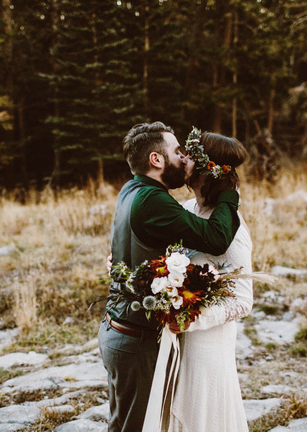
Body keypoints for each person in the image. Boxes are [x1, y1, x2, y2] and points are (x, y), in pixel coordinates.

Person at [99, 122, 242, 432]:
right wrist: (230, 192)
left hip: (117, 330)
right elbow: (217, 238)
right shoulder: (155, 201)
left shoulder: (132, 190)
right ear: (156, 160)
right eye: (177, 151)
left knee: (123, 424)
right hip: (135, 340)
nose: (183, 157)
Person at [144, 129, 253, 432]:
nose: (182, 158)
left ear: (210, 169)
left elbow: (243, 300)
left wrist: (191, 320)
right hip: (174, 340)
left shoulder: (233, 231)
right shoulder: (188, 210)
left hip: (206, 345)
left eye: (190, 154)